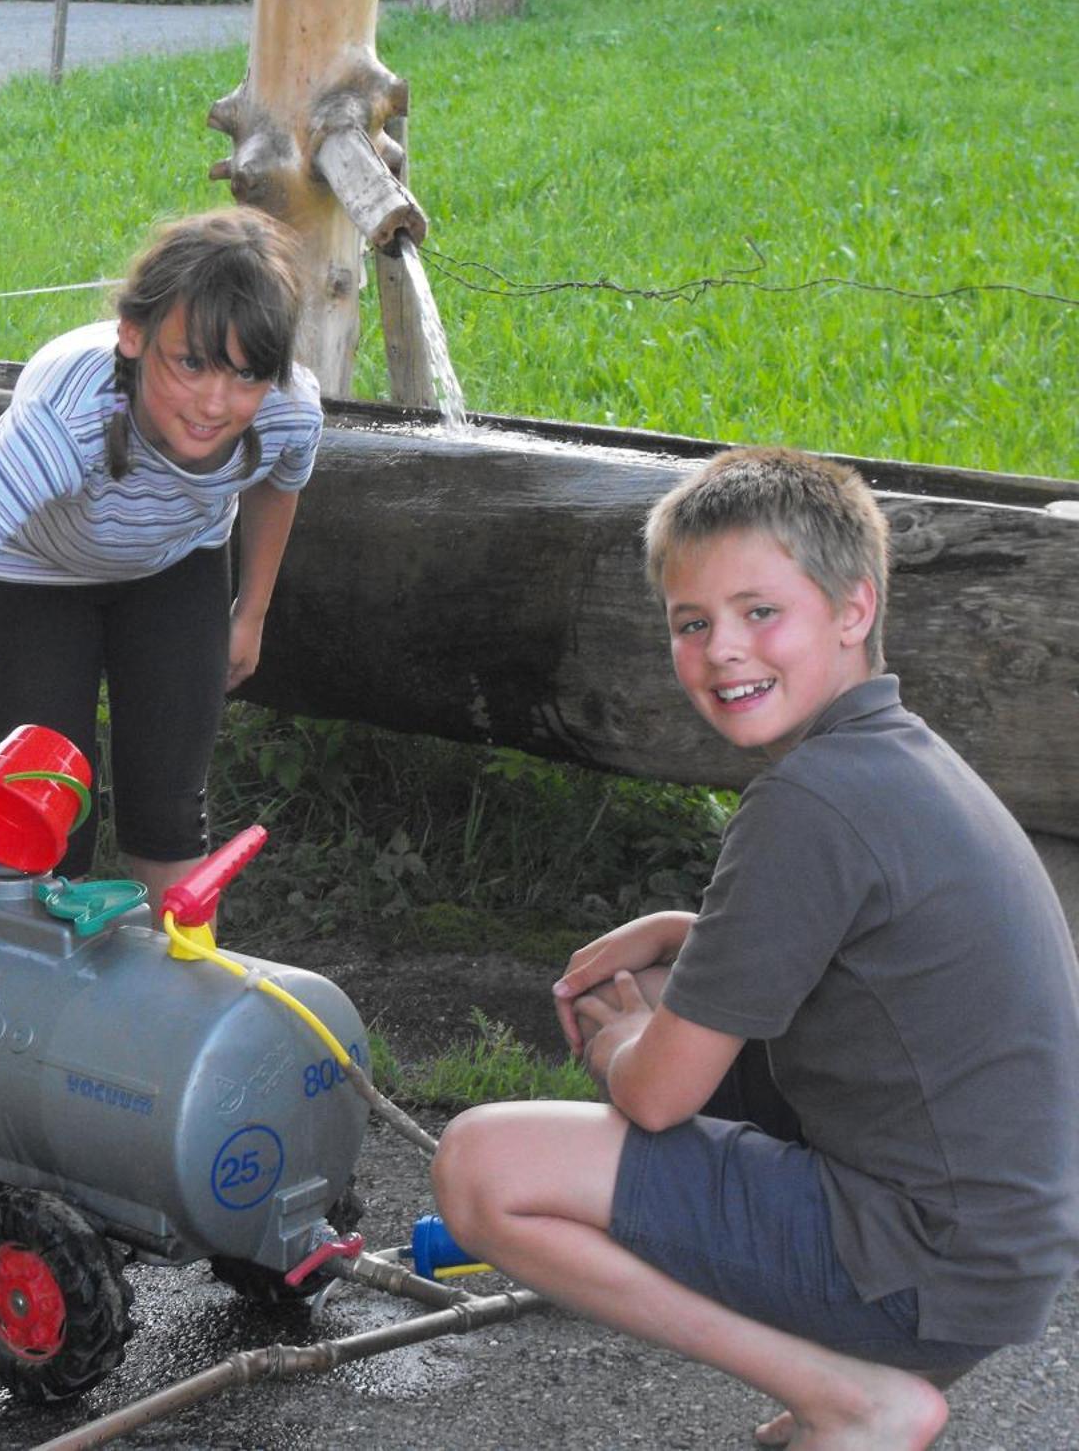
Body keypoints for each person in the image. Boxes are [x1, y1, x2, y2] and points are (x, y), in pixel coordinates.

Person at [431, 446, 1079, 1448]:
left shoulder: (807, 800)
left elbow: (656, 1095)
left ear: (851, 609)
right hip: (992, 1251)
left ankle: (851, 1395)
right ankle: (852, 1381)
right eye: (691, 624)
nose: (720, 649)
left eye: (757, 612)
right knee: (670, 988)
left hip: (919, 1262)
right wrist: (691, 938)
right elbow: (886, 966)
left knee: (481, 1165)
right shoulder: (894, 755)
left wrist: (614, 1040)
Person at [0, 208, 321, 897]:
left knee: (168, 804)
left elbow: (275, 489)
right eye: (191, 363)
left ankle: (174, 989)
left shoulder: (289, 413)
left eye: (246, 375)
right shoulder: (62, 424)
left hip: (177, 563)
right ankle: (34, 995)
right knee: (41, 819)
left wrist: (249, 609)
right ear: (134, 336)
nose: (215, 402)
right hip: (39, 576)